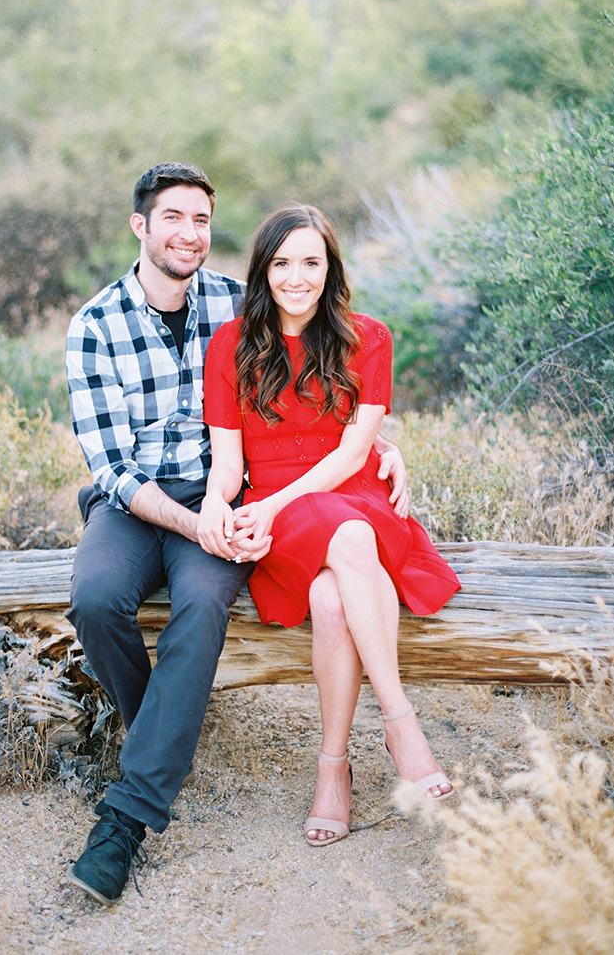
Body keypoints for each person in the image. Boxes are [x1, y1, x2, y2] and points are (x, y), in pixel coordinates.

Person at [64, 164, 411, 903]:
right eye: (173, 218)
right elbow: (112, 467)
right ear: (141, 227)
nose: (190, 234)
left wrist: (379, 446)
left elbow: (320, 375)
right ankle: (159, 731)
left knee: (200, 605)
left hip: (232, 495)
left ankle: (125, 819)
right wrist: (198, 522)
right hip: (138, 504)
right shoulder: (94, 325)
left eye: (201, 220)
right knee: (94, 600)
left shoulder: (234, 300)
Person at [200, 204, 461, 847]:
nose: (297, 277)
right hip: (283, 513)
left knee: (331, 593)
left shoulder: (368, 337)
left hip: (355, 496)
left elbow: (350, 454)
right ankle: (401, 723)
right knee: (343, 546)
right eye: (282, 263)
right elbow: (228, 463)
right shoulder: (230, 344)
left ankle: (334, 768)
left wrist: (274, 501)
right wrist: (216, 506)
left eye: (311, 262)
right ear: (263, 271)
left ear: (330, 268)